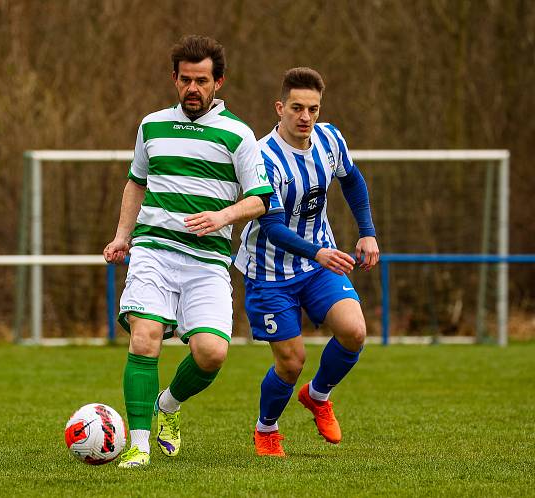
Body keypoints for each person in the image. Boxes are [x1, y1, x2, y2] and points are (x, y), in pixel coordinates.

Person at [103, 35, 275, 468]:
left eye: (201, 80)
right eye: (185, 80)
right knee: (145, 338)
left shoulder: (238, 134)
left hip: (207, 261)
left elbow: (260, 198)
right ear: (174, 79)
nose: (192, 88)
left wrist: (223, 217)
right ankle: (138, 445)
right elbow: (136, 182)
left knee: (211, 353)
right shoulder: (151, 125)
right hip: (153, 251)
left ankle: (168, 406)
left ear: (219, 81)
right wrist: (123, 235)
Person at [234, 67, 380, 457]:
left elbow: (352, 180)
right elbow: (274, 227)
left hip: (318, 263)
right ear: (280, 108)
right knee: (291, 362)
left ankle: (318, 396)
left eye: (313, 109)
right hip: (269, 272)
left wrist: (366, 231)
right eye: (297, 108)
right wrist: (318, 252)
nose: (305, 117)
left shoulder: (330, 138)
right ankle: (267, 428)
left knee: (354, 331)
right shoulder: (263, 157)